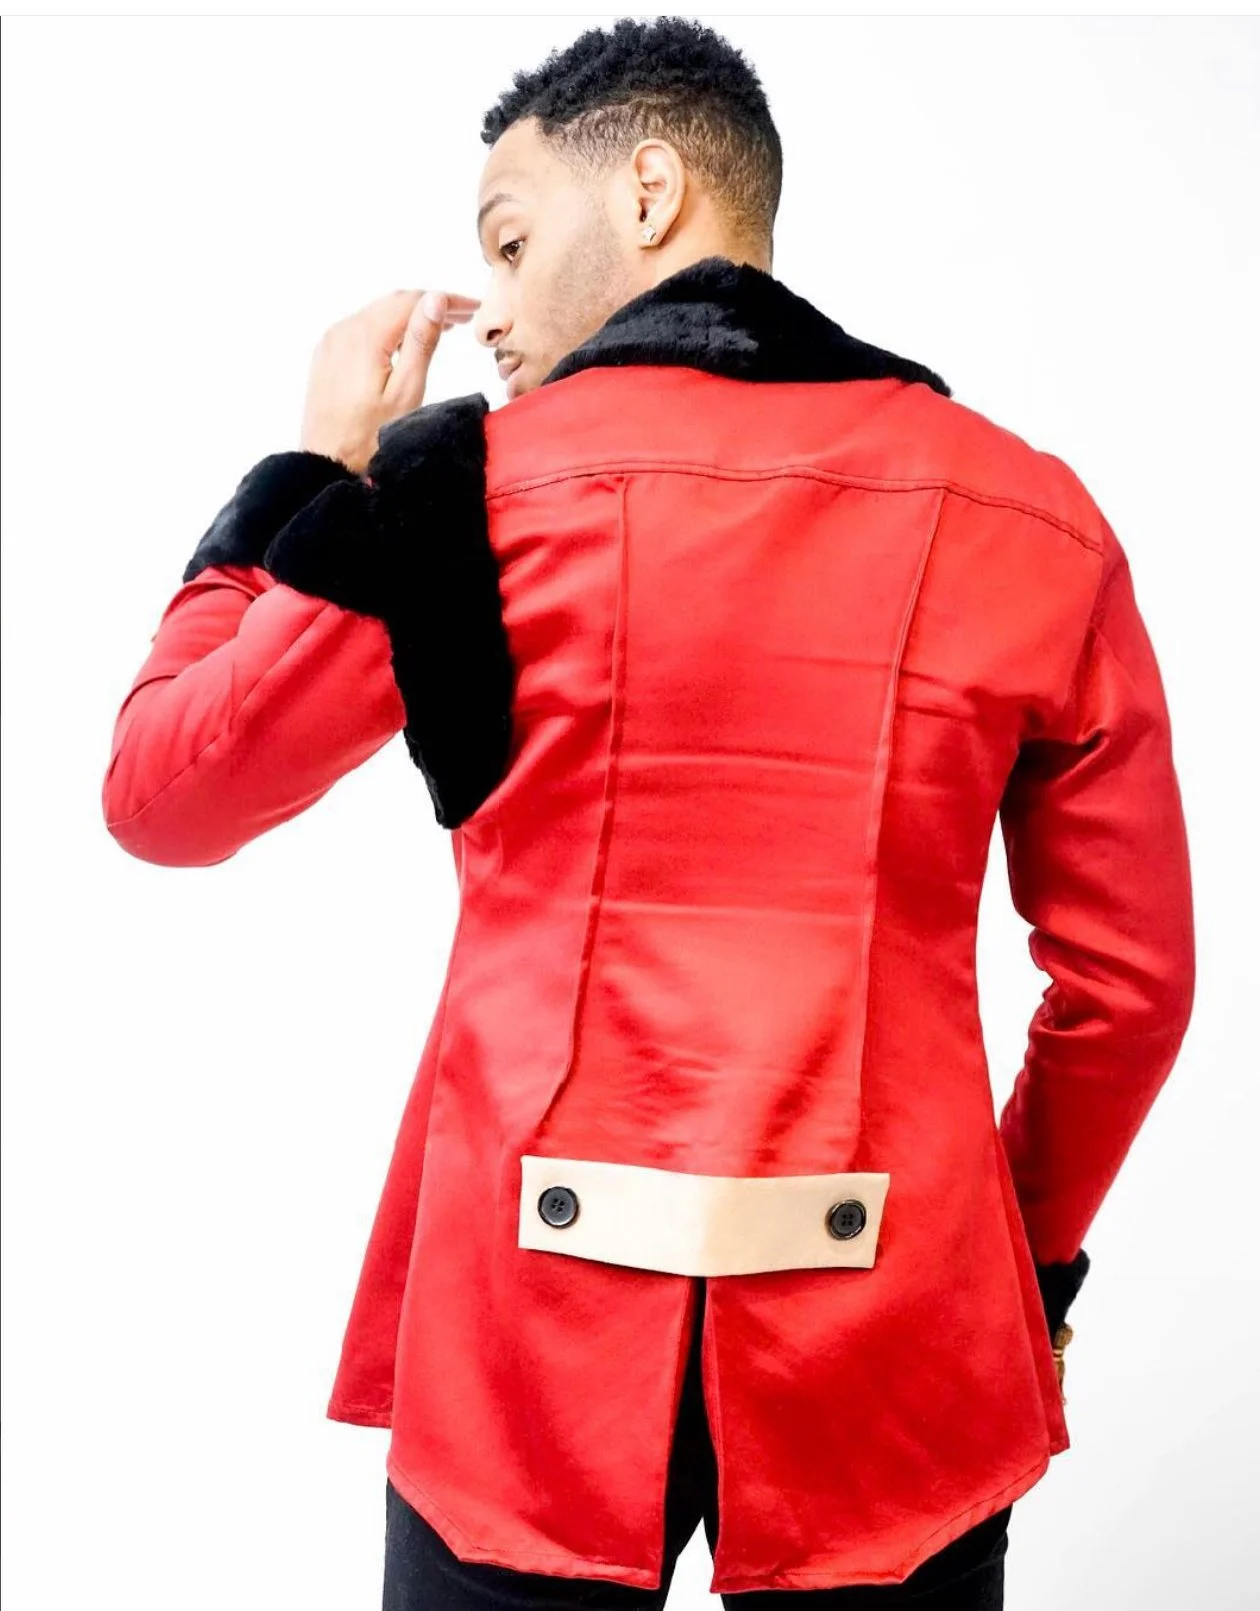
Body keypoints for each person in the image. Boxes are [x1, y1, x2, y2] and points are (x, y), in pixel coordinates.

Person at [100, 16, 1196, 1610]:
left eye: (509, 241)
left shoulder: (448, 497)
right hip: (895, 1341)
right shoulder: (1031, 512)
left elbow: (162, 791)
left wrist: (301, 469)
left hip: (523, 1352)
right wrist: (1012, 1264)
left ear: (654, 189)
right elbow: (1133, 985)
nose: (488, 310)